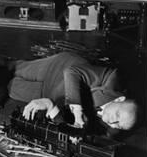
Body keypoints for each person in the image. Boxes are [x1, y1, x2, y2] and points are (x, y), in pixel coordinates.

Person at [7, 52, 139, 132]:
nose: (113, 122)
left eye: (119, 126)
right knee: (14, 68)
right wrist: (77, 113)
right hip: (58, 68)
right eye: (117, 114)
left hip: (49, 96)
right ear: (119, 99)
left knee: (11, 89)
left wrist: (52, 108)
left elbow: (74, 133)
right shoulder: (111, 77)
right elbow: (72, 72)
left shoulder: (114, 128)